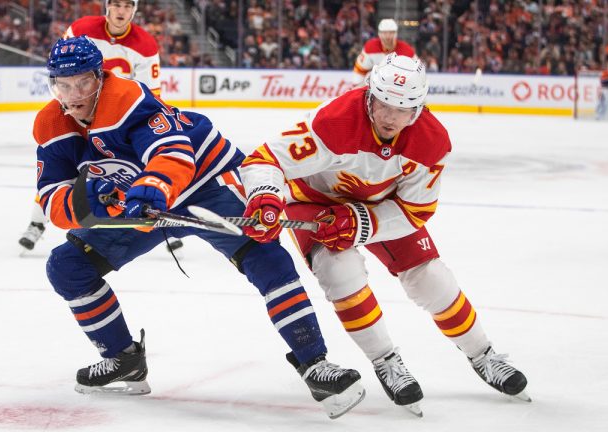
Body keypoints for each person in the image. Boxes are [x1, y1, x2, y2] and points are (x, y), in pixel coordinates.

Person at [33, 36, 365, 419]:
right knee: (68, 266)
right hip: (143, 208)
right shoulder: (51, 125)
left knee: (267, 257)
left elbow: (172, 154)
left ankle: (315, 364)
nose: (75, 94)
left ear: (101, 77)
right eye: (64, 84)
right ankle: (123, 359)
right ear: (52, 84)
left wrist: (150, 187)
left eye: (84, 82)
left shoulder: (127, 100)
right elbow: (51, 197)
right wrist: (97, 200)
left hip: (207, 184)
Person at [239, 53, 530, 416]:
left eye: (403, 108)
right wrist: (265, 195)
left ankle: (483, 354)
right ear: (369, 95)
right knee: (339, 273)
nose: (391, 116)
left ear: (418, 109)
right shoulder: (334, 121)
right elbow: (265, 160)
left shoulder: (431, 142)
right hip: (317, 203)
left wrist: (360, 221)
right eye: (384, 104)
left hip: (382, 206)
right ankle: (385, 360)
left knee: (431, 279)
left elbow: (416, 210)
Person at [18, 0, 183, 252]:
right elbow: (62, 73)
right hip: (79, 115)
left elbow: (150, 95)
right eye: (116, 4)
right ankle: (37, 222)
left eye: (127, 6)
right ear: (107, 7)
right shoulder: (81, 28)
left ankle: (161, 222)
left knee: (140, 168)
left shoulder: (145, 45)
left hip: (119, 121)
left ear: (134, 10)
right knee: (62, 168)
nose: (121, 11)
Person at [352, 19, 416, 86]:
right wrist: (357, 88)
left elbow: (416, 74)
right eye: (384, 33)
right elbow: (360, 70)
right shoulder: (370, 47)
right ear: (379, 34)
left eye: (391, 33)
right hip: (375, 88)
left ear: (396, 33)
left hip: (399, 89)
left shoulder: (407, 50)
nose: (388, 36)